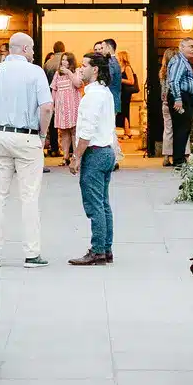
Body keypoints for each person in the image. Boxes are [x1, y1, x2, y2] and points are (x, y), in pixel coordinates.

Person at [0, 31, 53, 266]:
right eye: (31, 49)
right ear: (25, 49)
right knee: (29, 196)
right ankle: (31, 253)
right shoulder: (35, 72)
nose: (32, 53)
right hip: (27, 136)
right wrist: (42, 134)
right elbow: (47, 107)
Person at [68, 60, 118, 265]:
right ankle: (106, 249)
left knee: (94, 204)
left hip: (95, 153)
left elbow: (87, 131)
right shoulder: (105, 93)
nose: (80, 68)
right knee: (104, 203)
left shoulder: (93, 96)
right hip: (106, 151)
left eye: (84, 65)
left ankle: (97, 250)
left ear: (95, 69)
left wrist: (76, 157)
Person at [163, 37, 193, 166]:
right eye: (190, 46)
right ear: (181, 47)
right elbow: (174, 81)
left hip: (185, 97)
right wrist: (178, 99)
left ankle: (179, 158)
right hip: (181, 97)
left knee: (183, 128)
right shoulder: (178, 61)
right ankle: (178, 160)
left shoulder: (184, 61)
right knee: (181, 128)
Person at [49, 51, 81, 163]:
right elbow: (54, 88)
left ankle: (76, 157)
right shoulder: (57, 74)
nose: (64, 61)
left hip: (73, 106)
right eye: (63, 59)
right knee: (63, 132)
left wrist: (68, 72)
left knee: (74, 131)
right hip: (61, 107)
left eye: (66, 60)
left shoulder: (76, 71)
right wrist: (52, 104)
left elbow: (78, 83)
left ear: (71, 62)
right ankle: (65, 157)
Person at [116, 45, 137, 131]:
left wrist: (120, 80)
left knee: (124, 111)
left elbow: (131, 81)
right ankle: (123, 130)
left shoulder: (127, 68)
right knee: (120, 112)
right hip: (120, 92)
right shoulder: (120, 68)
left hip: (125, 93)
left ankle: (127, 131)